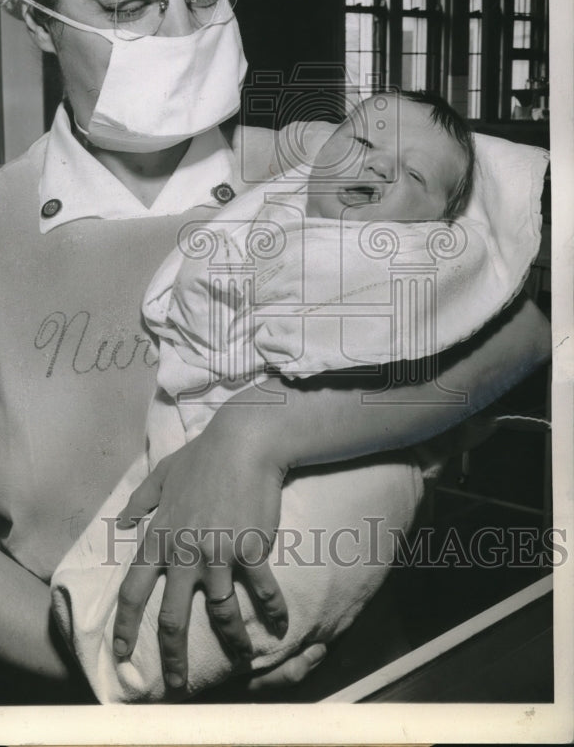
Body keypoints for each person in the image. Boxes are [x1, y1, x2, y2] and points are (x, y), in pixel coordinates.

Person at [0, 0, 551, 705]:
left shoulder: (317, 173)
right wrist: (129, 673)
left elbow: (526, 327)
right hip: (69, 692)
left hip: (330, 687)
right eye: (129, 6)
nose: (180, 32)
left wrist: (260, 433)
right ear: (31, 19)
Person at [50, 90, 549, 702]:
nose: (376, 166)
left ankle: (158, 666)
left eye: (413, 174)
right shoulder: (279, 200)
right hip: (196, 420)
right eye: (361, 144)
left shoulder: (414, 252)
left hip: (343, 453)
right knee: (119, 540)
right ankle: (101, 637)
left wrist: (255, 431)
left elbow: (526, 330)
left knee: (287, 567)